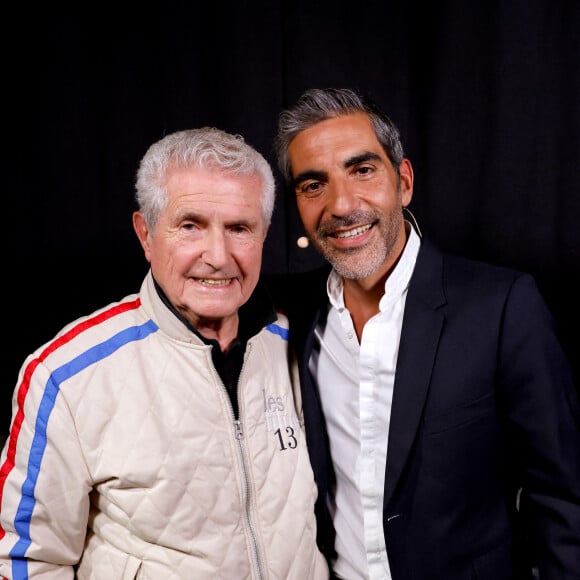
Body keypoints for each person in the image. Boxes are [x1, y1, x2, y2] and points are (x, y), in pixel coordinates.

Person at [266, 88, 580, 580]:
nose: (342, 204)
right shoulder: (292, 313)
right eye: (313, 184)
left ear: (404, 182)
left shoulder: (501, 306)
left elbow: (564, 498)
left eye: (362, 170)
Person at [0, 127, 329, 579]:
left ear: (264, 235)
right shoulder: (66, 374)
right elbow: (25, 560)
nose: (218, 255)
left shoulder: (299, 345)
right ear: (146, 234)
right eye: (191, 225)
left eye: (239, 228)